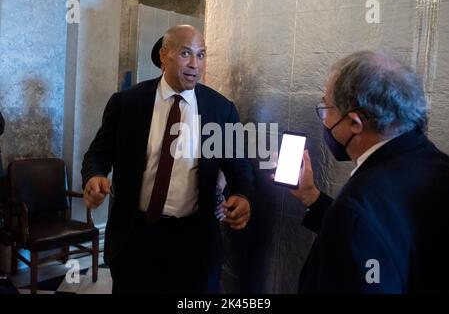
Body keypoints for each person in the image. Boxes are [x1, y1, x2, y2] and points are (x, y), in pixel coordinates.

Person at [82, 25, 254, 294]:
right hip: (136, 239)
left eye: (202, 55)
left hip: (195, 243)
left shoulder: (221, 110)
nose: (195, 64)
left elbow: (238, 166)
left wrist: (243, 195)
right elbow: (99, 153)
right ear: (164, 56)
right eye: (186, 53)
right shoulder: (126, 103)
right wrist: (94, 175)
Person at [292, 51, 449, 293]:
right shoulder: (436, 166)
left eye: (326, 108)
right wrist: (312, 197)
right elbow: (387, 236)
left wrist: (344, 214)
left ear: (355, 123)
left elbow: (362, 228)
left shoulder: (358, 206)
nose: (324, 119)